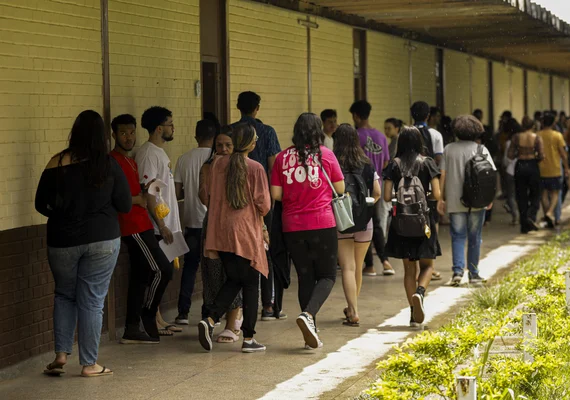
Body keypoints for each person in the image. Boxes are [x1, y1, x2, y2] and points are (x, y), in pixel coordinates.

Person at [35, 110, 131, 377]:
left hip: (62, 240)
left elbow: (39, 204)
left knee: (65, 294)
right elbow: (124, 204)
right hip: (103, 239)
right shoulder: (109, 164)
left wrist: (64, 213)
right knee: (92, 301)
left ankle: (61, 354)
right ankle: (90, 364)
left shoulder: (57, 162)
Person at [271, 113, 345, 349]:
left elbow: (276, 195)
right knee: (327, 276)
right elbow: (340, 188)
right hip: (322, 223)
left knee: (305, 277)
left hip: (292, 226)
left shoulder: (282, 158)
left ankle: (309, 331)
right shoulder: (326, 154)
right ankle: (309, 315)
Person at [198, 123, 271, 353]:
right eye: (255, 139)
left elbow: (208, 195)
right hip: (245, 232)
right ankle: (248, 338)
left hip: (221, 231)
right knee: (250, 283)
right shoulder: (256, 167)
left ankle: (210, 319)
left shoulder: (218, 164)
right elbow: (264, 205)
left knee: (234, 279)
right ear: (249, 143)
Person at [110, 114, 172, 344]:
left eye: (131, 132)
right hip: (132, 226)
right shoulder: (113, 161)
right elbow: (116, 196)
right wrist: (139, 199)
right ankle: (149, 312)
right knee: (163, 269)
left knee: (141, 275)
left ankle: (131, 329)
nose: (128, 137)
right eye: (123, 133)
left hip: (144, 221)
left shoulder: (131, 161)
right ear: (113, 134)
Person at [383, 126, 441, 327]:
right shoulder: (428, 163)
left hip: (402, 224)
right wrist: (424, 198)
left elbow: (386, 196)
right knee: (427, 266)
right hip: (423, 222)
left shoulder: (394, 165)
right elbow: (437, 193)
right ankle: (420, 293)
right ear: (419, 142)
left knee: (409, 270)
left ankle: (412, 314)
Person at [233, 91, 284, 321]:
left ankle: (238, 308)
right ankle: (268, 306)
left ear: (238, 107)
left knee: (237, 253)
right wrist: (272, 198)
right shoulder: (267, 132)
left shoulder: (231, 130)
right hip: (263, 200)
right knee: (266, 250)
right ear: (257, 108)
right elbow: (274, 166)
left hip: (235, 201)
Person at [135, 106, 183, 336]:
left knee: (166, 273)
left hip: (168, 223)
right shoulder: (147, 153)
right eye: (170, 123)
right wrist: (162, 224)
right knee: (159, 273)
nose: (173, 127)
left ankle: (159, 317)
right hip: (156, 225)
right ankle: (150, 316)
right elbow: (151, 190)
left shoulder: (161, 152)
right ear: (158, 128)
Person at [198, 126, 244, 344]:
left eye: (228, 145)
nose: (224, 149)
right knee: (213, 273)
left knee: (233, 272)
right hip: (212, 224)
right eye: (219, 145)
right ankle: (218, 314)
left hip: (235, 226)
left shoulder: (242, 167)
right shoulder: (208, 167)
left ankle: (233, 324)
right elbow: (203, 198)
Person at [437, 116, 495, 285]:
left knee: (458, 236)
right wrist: (489, 198)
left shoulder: (448, 149)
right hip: (477, 201)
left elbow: (443, 175)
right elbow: (490, 175)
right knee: (475, 236)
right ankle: (474, 274)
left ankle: (457, 272)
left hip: (455, 201)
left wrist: (441, 198)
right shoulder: (481, 149)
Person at [334, 124, 382, 326]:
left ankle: (352, 310)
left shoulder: (333, 163)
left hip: (342, 221)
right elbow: (377, 192)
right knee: (358, 267)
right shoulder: (367, 163)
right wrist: (364, 209)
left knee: (347, 267)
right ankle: (353, 307)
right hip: (364, 222)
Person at [173, 119, 217, 325]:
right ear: (215, 137)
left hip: (191, 222)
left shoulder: (183, 159)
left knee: (190, 267)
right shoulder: (217, 158)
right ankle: (208, 313)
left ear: (195, 136)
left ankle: (182, 312)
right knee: (211, 269)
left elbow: (177, 192)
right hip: (213, 223)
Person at [349, 100, 394, 276]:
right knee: (376, 224)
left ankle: (370, 265)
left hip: (359, 187)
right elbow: (385, 162)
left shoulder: (356, 136)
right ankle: (385, 261)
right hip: (377, 186)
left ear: (356, 116)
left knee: (362, 225)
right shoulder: (381, 136)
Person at [411, 101, 444, 280]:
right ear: (428, 115)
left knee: (410, 219)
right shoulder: (435, 135)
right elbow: (439, 159)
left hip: (408, 185)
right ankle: (429, 265)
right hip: (429, 184)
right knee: (430, 222)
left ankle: (415, 264)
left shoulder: (407, 133)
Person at [507, 116, 545, 233]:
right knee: (536, 193)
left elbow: (510, 155)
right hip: (533, 165)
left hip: (520, 166)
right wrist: (534, 158)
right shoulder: (537, 138)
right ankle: (531, 215)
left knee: (521, 195)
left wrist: (520, 153)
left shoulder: (516, 137)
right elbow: (542, 155)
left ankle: (524, 225)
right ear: (533, 126)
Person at [538, 112, 569, 227]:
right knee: (555, 193)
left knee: (544, 194)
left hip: (541, 169)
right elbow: (563, 154)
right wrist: (566, 168)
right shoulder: (557, 135)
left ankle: (547, 215)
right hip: (555, 168)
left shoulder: (538, 135)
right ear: (553, 123)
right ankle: (551, 213)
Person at [502, 118, 523, 225]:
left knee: (511, 195)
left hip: (510, 171)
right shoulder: (525, 141)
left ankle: (515, 215)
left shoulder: (509, 142)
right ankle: (523, 214)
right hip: (522, 171)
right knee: (521, 194)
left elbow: (506, 159)